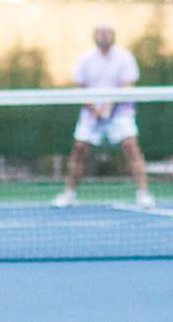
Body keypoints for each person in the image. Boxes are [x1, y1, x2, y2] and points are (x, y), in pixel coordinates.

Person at [51, 25, 154, 209]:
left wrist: (109, 106)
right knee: (79, 149)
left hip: (121, 112)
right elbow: (80, 89)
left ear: (113, 36)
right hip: (91, 114)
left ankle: (144, 194)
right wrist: (95, 109)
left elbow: (127, 86)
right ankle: (69, 193)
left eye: (107, 33)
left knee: (131, 147)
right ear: (94, 37)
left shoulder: (125, 58)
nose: (104, 36)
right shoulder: (85, 59)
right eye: (100, 33)